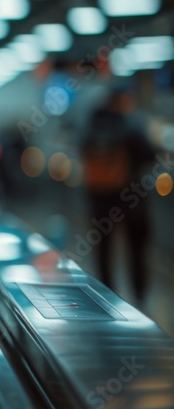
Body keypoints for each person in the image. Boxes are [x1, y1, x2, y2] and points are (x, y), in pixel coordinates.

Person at [80, 86, 155, 302]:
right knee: (136, 248)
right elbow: (149, 154)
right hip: (132, 199)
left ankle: (106, 294)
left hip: (100, 199)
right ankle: (139, 295)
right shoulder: (131, 124)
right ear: (123, 100)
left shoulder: (91, 125)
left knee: (104, 249)